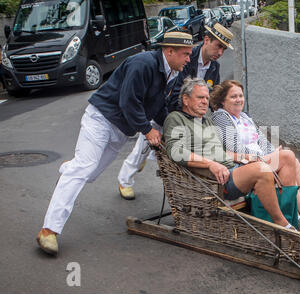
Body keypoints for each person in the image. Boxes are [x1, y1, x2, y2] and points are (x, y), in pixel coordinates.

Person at [36, 32, 195, 256]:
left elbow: (159, 106)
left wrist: (169, 131)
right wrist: (148, 130)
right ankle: (49, 230)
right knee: (83, 169)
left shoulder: (172, 73)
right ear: (169, 51)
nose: (189, 59)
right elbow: (128, 101)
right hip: (101, 119)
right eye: (185, 54)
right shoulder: (143, 64)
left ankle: (68, 171)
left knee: (89, 174)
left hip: (121, 129)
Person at [163, 77, 300, 231]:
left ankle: (291, 217)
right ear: (186, 100)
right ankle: (282, 224)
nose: (205, 102)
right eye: (200, 97)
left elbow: (224, 151)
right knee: (262, 170)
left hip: (234, 167)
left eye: (207, 98)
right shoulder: (176, 119)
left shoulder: (206, 121)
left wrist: (247, 158)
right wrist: (210, 164)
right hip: (218, 179)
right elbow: (176, 151)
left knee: (286, 156)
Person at [117, 22, 234, 200]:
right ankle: (125, 180)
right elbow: (174, 91)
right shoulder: (187, 57)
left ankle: (180, 185)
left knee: (174, 151)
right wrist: (182, 115)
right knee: (145, 145)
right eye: (218, 46)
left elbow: (212, 96)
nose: (220, 52)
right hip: (168, 111)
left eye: (224, 49)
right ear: (206, 40)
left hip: (190, 116)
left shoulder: (214, 68)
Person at [210, 80, 300, 230]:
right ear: (223, 100)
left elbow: (262, 140)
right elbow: (234, 146)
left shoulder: (244, 117)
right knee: (287, 156)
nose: (239, 99)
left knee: (292, 160)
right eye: (233, 96)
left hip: (259, 158)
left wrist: (272, 153)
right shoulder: (220, 117)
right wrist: (268, 156)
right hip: (244, 163)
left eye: (241, 95)